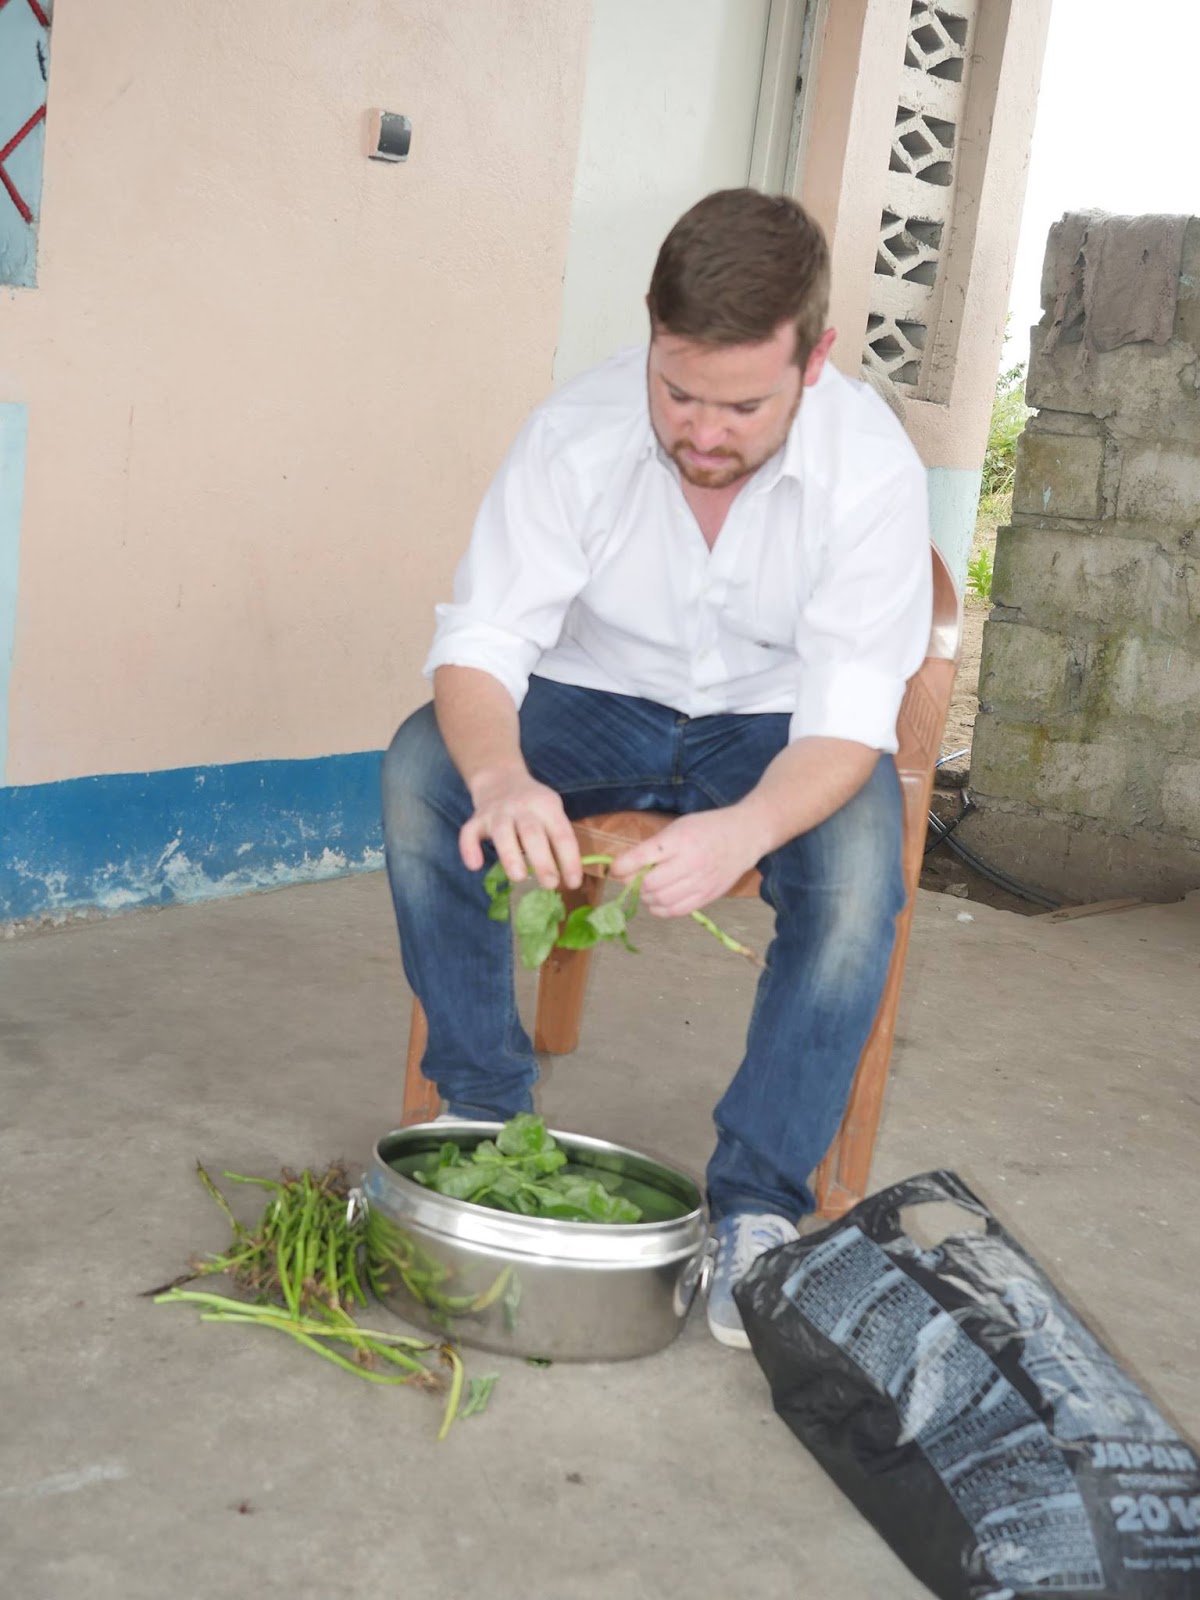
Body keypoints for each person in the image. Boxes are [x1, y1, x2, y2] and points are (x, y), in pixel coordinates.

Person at [382, 188, 932, 1348]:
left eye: (744, 404)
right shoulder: (572, 434)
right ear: (651, 335)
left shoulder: (871, 468)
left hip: (781, 726)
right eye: (678, 391)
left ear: (816, 359)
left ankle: (759, 1202)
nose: (704, 432)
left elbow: (847, 719)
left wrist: (746, 829)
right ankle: (484, 1115)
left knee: (855, 885)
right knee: (426, 770)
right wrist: (502, 777)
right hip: (600, 700)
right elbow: (482, 643)